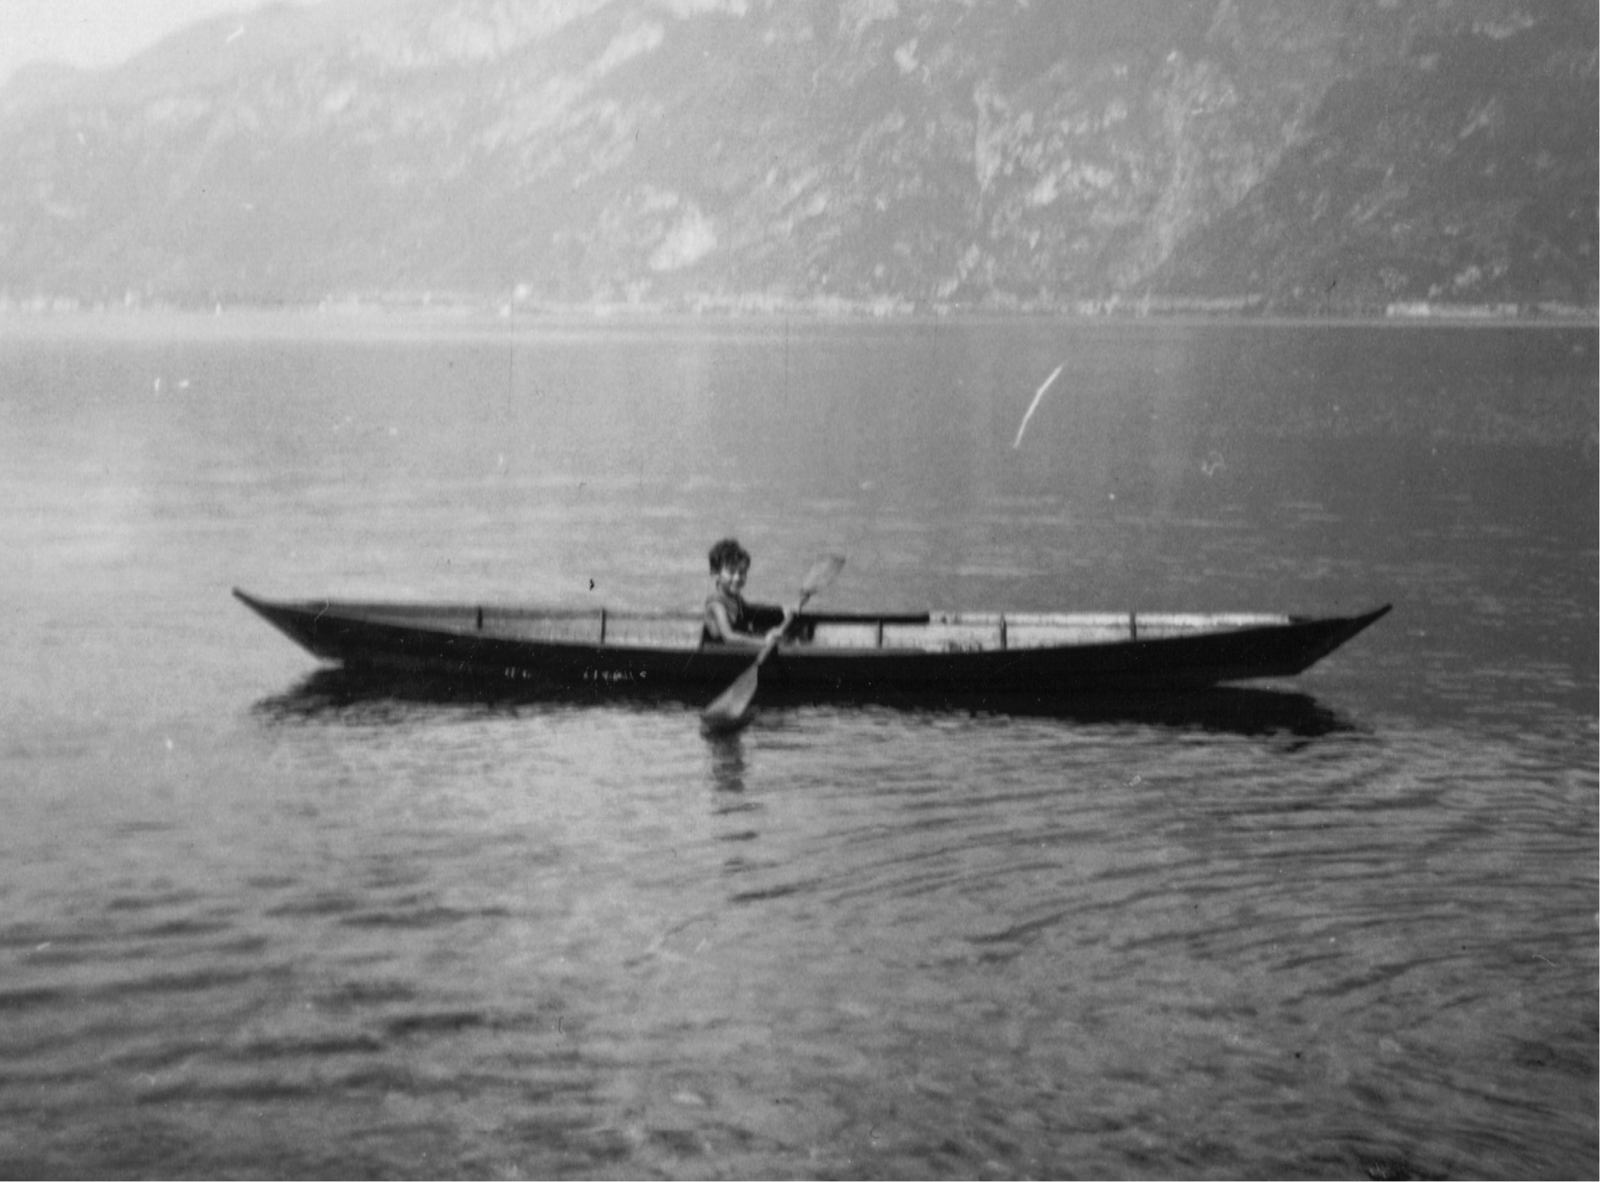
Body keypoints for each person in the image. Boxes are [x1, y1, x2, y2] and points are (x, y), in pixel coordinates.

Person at [703, 538, 793, 646]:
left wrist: (781, 610)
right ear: (715, 573)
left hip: (733, 652)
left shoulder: (735, 598)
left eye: (742, 573)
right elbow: (729, 637)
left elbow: (749, 611)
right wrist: (765, 642)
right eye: (731, 572)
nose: (737, 578)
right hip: (716, 656)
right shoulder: (716, 604)